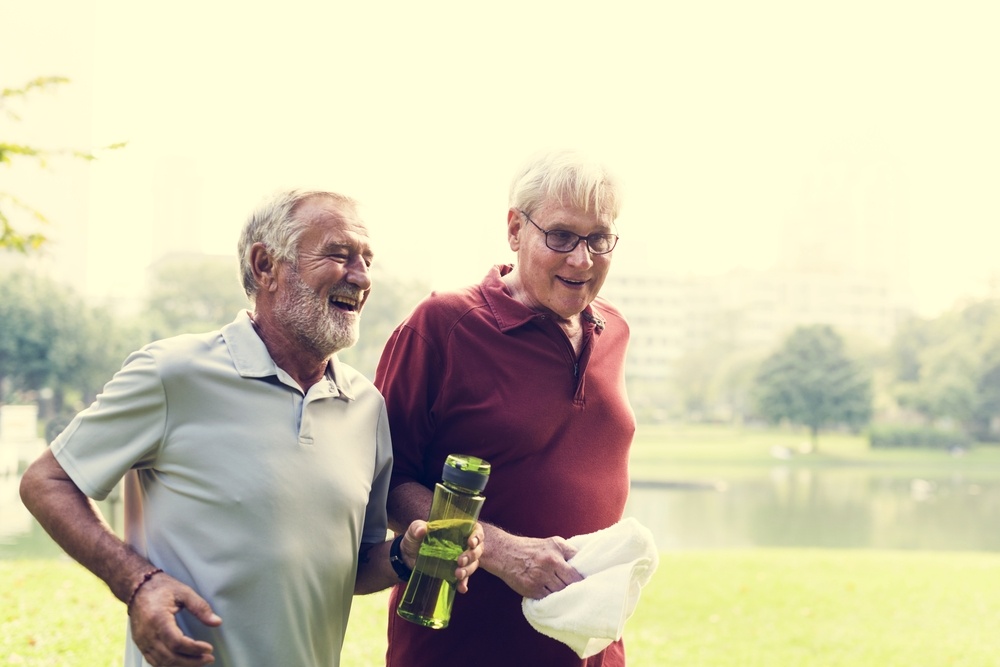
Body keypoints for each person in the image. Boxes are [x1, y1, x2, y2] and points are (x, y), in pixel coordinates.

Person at [19, 188, 484, 667]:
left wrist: (405, 556)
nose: (362, 276)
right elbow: (46, 481)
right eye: (338, 254)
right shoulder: (172, 373)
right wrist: (137, 582)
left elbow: (355, 566)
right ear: (265, 266)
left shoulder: (366, 407)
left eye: (367, 259)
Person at [375, 150, 636, 666]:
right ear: (515, 229)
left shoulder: (615, 329)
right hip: (461, 647)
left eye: (599, 238)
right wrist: (497, 550)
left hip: (590, 651)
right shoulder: (440, 326)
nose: (581, 259)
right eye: (560, 236)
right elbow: (383, 484)